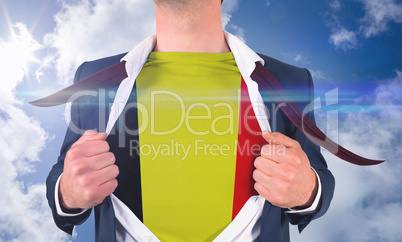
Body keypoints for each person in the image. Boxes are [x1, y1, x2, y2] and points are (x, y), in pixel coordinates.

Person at [45, 0, 335, 241]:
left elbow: (318, 176)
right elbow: (64, 173)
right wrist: (68, 191)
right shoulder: (94, 78)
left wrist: (307, 189)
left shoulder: (290, 80)